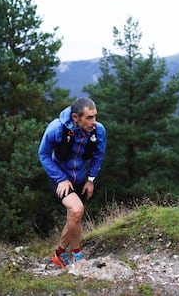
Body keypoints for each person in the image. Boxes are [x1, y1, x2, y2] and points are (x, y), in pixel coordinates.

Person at [38, 97, 106, 269]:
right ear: (76, 117)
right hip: (59, 178)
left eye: (95, 116)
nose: (94, 122)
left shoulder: (98, 131)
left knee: (74, 217)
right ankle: (77, 255)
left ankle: (58, 255)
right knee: (77, 210)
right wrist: (60, 179)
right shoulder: (56, 128)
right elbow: (43, 154)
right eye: (89, 118)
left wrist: (91, 180)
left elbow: (98, 155)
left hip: (80, 179)